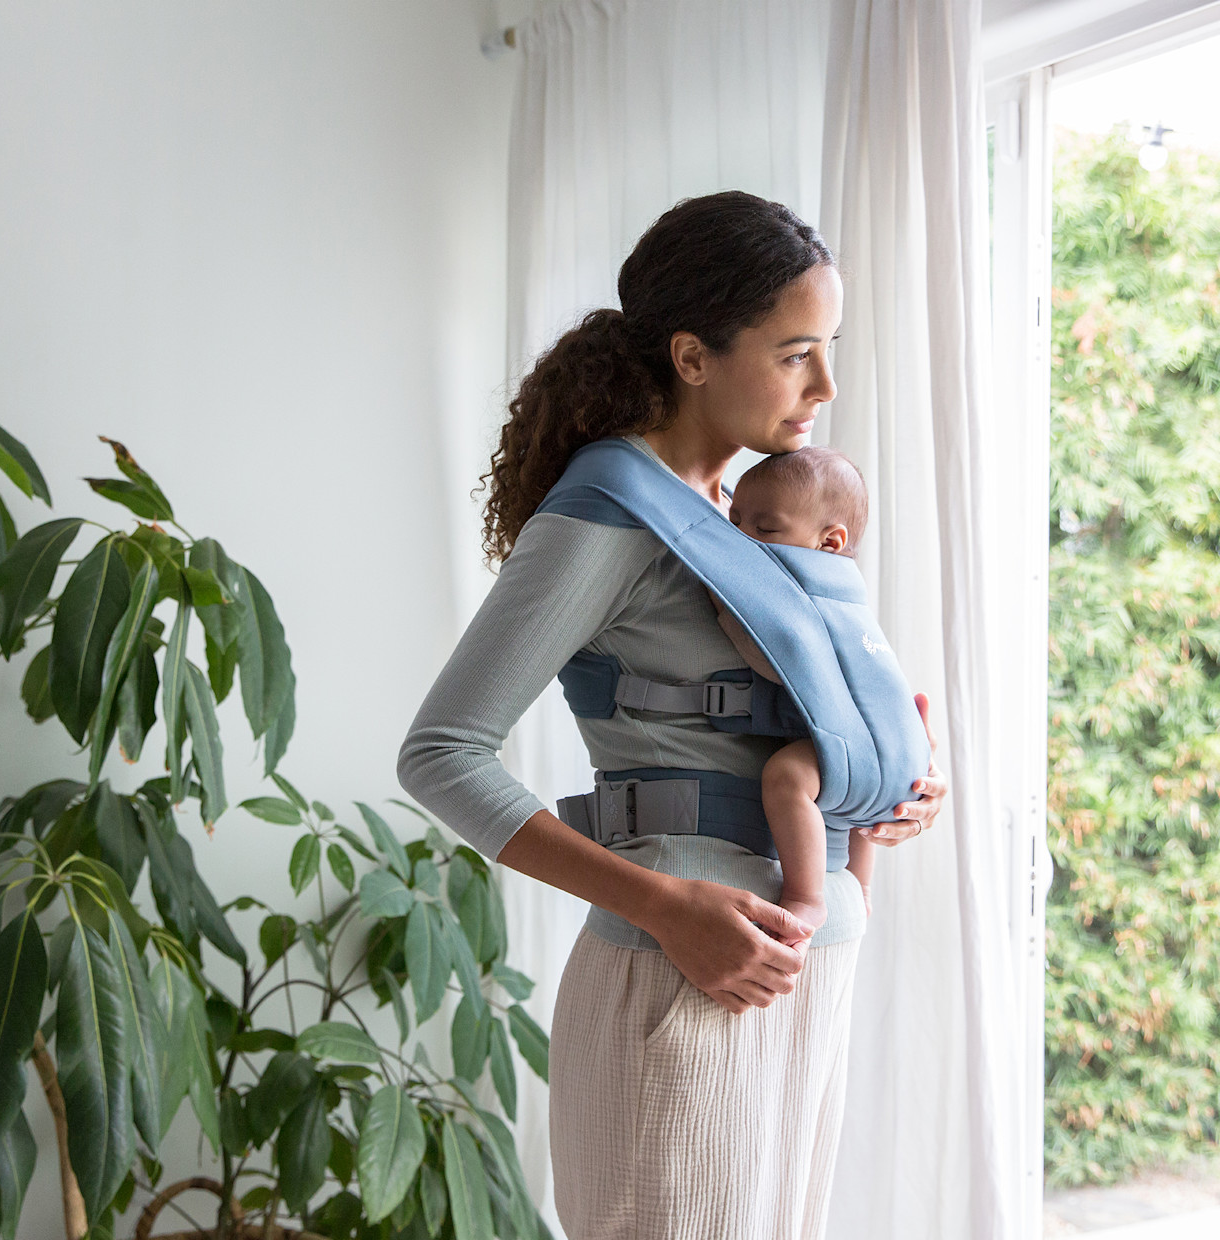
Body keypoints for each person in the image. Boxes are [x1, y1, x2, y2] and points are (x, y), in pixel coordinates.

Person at [397, 190, 946, 1240]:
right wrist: (663, 906)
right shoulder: (611, 509)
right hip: (679, 977)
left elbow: (790, 729)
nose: (824, 385)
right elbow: (440, 754)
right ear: (692, 356)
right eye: (795, 354)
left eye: (826, 349)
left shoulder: (745, 518)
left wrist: (889, 786)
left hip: (795, 967)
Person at [715, 445, 886, 944]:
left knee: (787, 776)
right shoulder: (843, 590)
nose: (741, 538)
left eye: (765, 529)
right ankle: (862, 884)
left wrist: (724, 606)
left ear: (831, 542)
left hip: (856, 740)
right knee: (855, 802)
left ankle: (809, 896)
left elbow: (773, 659)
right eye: (735, 519)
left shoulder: (807, 594)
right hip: (871, 741)